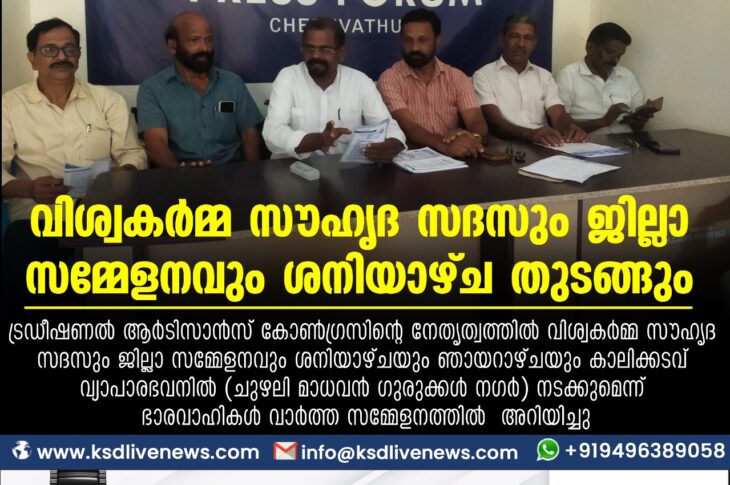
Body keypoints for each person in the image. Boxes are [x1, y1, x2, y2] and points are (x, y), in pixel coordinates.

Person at [2, 18, 146, 303]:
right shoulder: (9, 105)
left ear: (78, 55)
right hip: (39, 215)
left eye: (69, 49)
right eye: (49, 50)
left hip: (101, 210)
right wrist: (28, 189)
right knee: (22, 268)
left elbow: (133, 151)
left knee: (132, 276)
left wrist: (126, 170)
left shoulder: (107, 100)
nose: (61, 56)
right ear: (32, 58)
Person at [263, 18, 406, 163]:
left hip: (345, 172)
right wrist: (318, 140)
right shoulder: (288, 77)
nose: (315, 55)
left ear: (341, 53)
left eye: (325, 49)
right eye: (309, 49)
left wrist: (393, 145)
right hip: (291, 169)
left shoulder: (359, 81)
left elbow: (387, 125)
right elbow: (272, 133)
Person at [137, 12, 262, 167]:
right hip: (179, 173)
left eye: (208, 40)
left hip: (232, 173)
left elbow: (249, 134)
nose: (204, 48)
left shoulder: (232, 82)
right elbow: (156, 143)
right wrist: (181, 174)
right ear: (173, 45)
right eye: (193, 40)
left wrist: (252, 174)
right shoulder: (152, 89)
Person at [377, 8, 488, 158]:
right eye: (408, 40)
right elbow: (408, 126)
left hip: (454, 156)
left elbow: (476, 120)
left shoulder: (457, 77)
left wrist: (472, 138)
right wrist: (444, 144)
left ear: (437, 40)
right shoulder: (390, 79)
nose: (414, 48)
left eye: (422, 40)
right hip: (410, 158)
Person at [473, 13, 588, 147]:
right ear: (502, 40)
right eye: (515, 36)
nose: (521, 44)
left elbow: (558, 115)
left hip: (544, 145)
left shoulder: (544, 76)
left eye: (528, 38)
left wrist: (569, 127)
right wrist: (530, 134)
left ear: (534, 44)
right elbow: (495, 122)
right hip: (506, 147)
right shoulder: (484, 75)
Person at [555, 22, 649, 134]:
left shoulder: (627, 76)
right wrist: (604, 121)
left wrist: (639, 121)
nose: (615, 60)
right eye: (610, 52)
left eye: (619, 55)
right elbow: (561, 126)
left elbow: (637, 126)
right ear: (590, 47)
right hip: (586, 141)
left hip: (626, 141)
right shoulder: (567, 76)